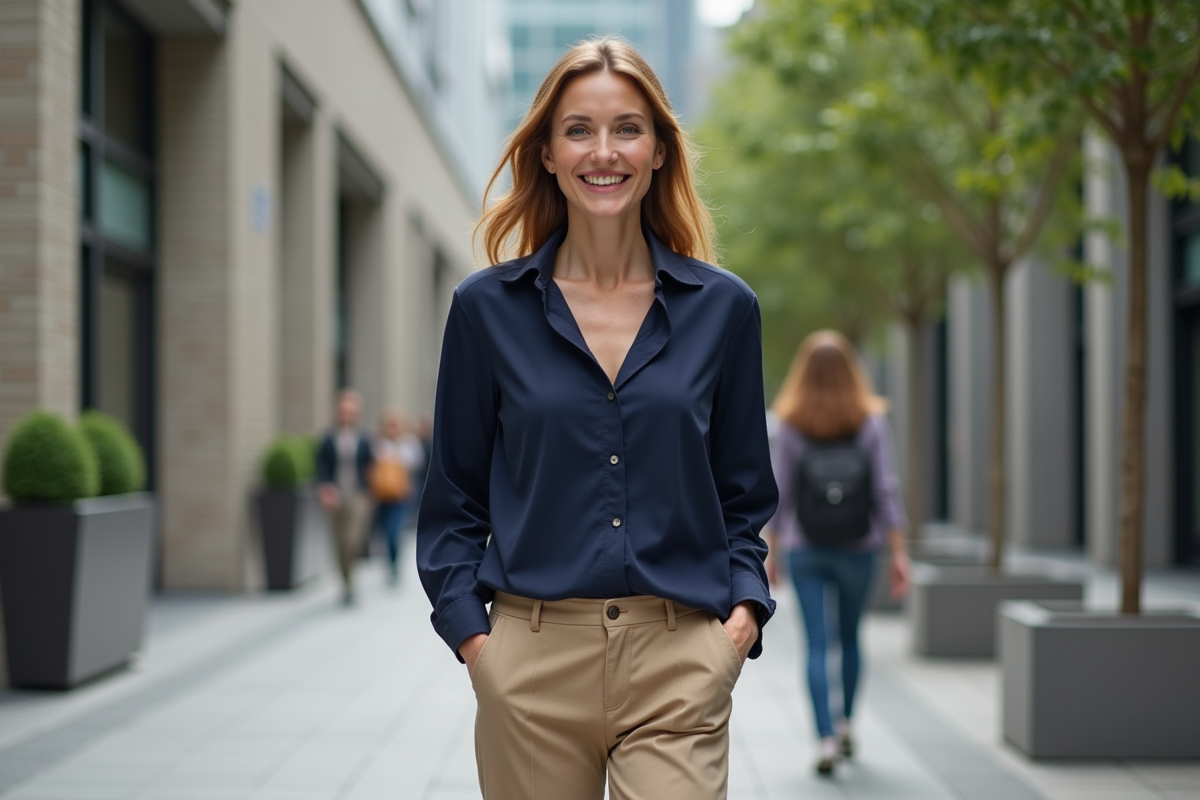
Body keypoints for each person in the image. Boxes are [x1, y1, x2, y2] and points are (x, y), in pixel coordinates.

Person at [417, 36, 778, 800]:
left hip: (680, 656)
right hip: (531, 664)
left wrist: (740, 621)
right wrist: (480, 648)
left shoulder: (725, 311)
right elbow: (453, 501)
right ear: (546, 152)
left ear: (658, 151)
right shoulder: (486, 312)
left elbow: (745, 495)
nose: (603, 151)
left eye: (627, 128)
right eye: (578, 128)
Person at [765, 330, 911, 777]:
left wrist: (770, 550)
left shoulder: (788, 422)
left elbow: (779, 491)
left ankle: (825, 738)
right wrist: (899, 550)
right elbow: (886, 488)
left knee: (815, 643)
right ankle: (846, 723)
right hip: (859, 546)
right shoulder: (870, 420)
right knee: (850, 638)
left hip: (806, 547)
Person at [316, 388, 374, 605]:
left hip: (358, 496)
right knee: (339, 542)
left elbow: (371, 465)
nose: (346, 414)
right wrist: (324, 488)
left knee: (352, 541)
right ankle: (346, 584)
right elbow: (321, 467)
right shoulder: (328, 438)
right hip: (336, 496)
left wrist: (371, 492)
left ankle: (351, 580)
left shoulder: (365, 438)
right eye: (343, 410)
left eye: (351, 411)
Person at [372, 406, 423, 584]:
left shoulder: (409, 445)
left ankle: (394, 565)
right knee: (385, 532)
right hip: (382, 497)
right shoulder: (378, 445)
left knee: (394, 531)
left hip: (400, 497)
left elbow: (415, 468)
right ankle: (389, 562)